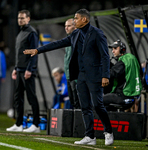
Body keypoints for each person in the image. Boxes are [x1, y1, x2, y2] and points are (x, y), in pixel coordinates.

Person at [24, 8, 113, 145]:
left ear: (85, 19)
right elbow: (57, 43)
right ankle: (90, 136)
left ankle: (108, 131)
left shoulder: (97, 33)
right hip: (81, 75)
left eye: (76, 18)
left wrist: (105, 75)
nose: (74, 20)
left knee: (97, 105)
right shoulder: (76, 34)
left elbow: (105, 56)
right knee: (85, 106)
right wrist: (38, 50)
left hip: (95, 75)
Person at [6, 10, 40, 133]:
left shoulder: (32, 33)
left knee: (31, 97)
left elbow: (34, 53)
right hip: (19, 70)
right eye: (19, 18)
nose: (20, 20)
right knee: (18, 98)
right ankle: (19, 123)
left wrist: (29, 69)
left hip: (27, 71)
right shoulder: (21, 33)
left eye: (23, 18)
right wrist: (16, 68)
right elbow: (19, 54)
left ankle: (36, 125)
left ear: (28, 19)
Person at [103, 39, 142, 111]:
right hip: (131, 96)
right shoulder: (131, 58)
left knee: (97, 102)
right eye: (112, 49)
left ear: (121, 49)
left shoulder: (124, 60)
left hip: (123, 95)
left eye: (115, 48)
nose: (113, 51)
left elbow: (113, 73)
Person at [64, 18, 80, 109]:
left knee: (78, 102)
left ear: (75, 26)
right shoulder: (68, 40)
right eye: (65, 26)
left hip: (76, 76)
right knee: (72, 101)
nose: (66, 28)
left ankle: (82, 122)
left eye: (69, 26)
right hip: (69, 76)